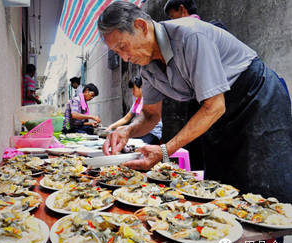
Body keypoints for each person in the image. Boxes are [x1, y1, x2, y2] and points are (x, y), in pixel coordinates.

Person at [98, 2, 292, 200]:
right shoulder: (147, 67)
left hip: (255, 99)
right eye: (117, 53)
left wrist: (165, 151)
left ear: (141, 26)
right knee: (220, 188)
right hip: (218, 114)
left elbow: (215, 106)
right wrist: (127, 130)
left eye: (123, 47)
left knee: (267, 188)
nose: (125, 57)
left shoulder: (190, 36)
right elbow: (150, 115)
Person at [106, 77, 162, 145]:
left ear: (141, 87)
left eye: (134, 89)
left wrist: (126, 128)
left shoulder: (149, 101)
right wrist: (111, 126)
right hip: (140, 131)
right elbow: (126, 118)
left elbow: (144, 121)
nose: (132, 91)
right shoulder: (136, 102)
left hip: (152, 133)